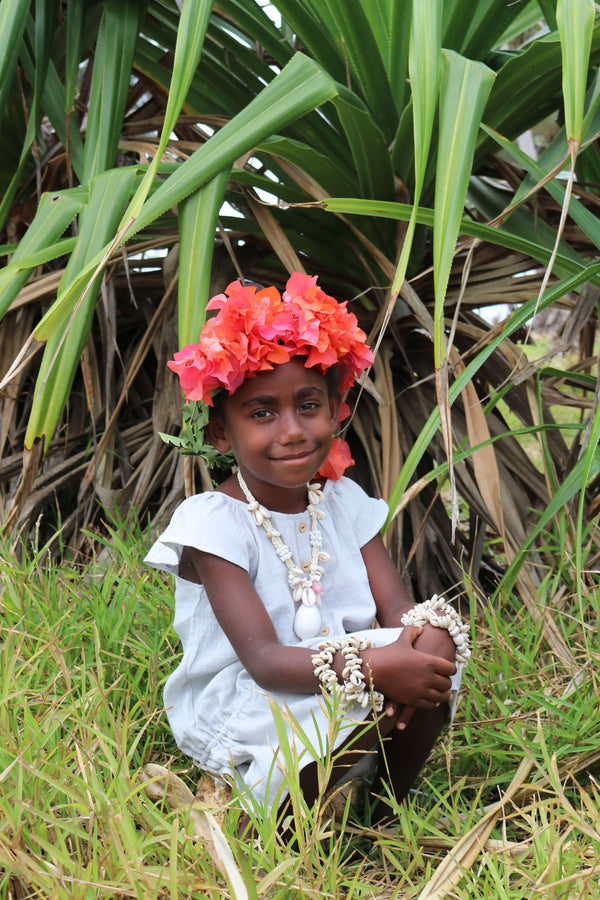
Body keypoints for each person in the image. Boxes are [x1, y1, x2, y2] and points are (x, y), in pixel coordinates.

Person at [145, 272, 469, 820]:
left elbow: (395, 606)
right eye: (261, 413)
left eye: (309, 406)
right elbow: (266, 662)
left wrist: (424, 640)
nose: (292, 430)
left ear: (336, 410)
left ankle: (385, 808)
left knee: (435, 652)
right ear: (221, 433)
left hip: (345, 678)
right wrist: (380, 667)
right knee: (380, 682)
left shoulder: (343, 502)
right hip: (253, 696)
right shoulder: (213, 524)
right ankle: (284, 816)